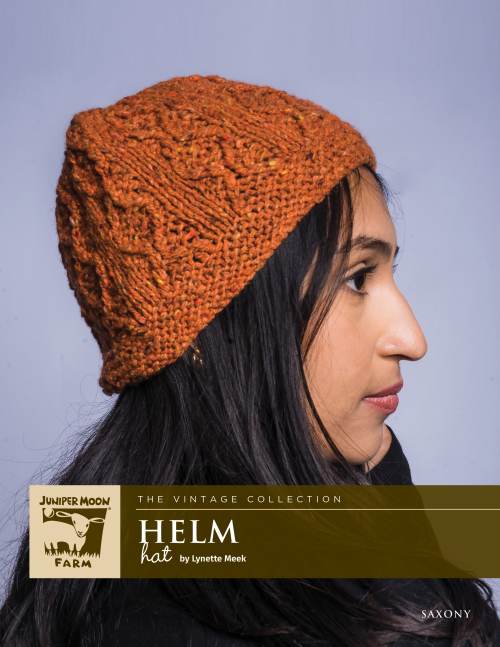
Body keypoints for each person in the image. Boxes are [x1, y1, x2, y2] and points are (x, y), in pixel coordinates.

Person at [0, 74, 498, 646]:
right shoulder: (150, 619)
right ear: (207, 334)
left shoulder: (99, 541)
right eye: (357, 278)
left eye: (390, 272)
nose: (412, 339)